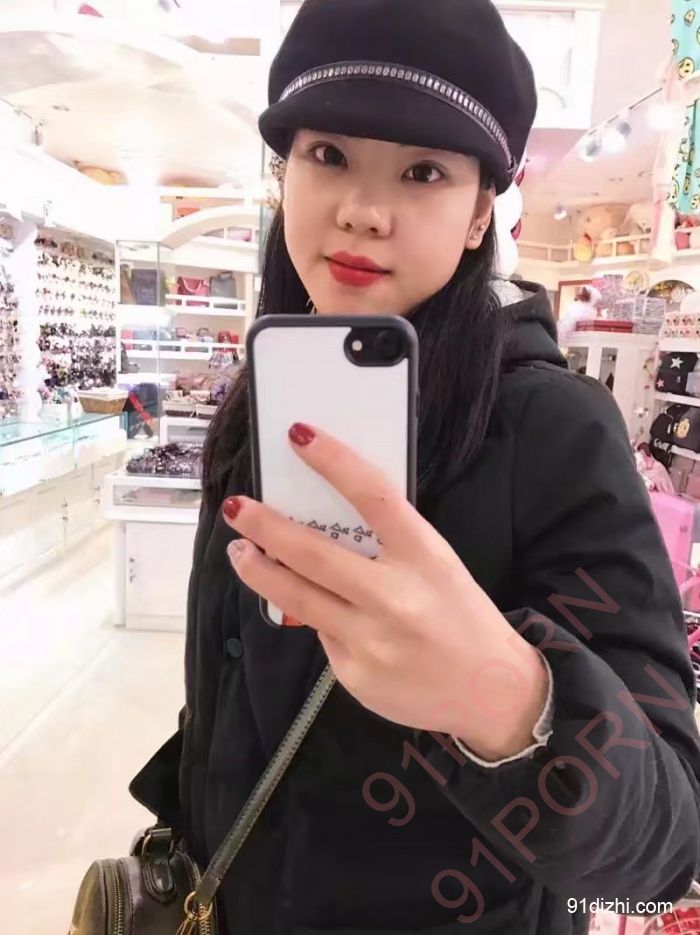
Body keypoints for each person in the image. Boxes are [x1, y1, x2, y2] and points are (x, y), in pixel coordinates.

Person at [130, 1, 700, 932]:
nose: (362, 209)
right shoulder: (266, 393)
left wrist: (512, 703)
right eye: (328, 154)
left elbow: (667, 848)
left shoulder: (556, 430)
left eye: (424, 171)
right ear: (284, 173)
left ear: (479, 213)